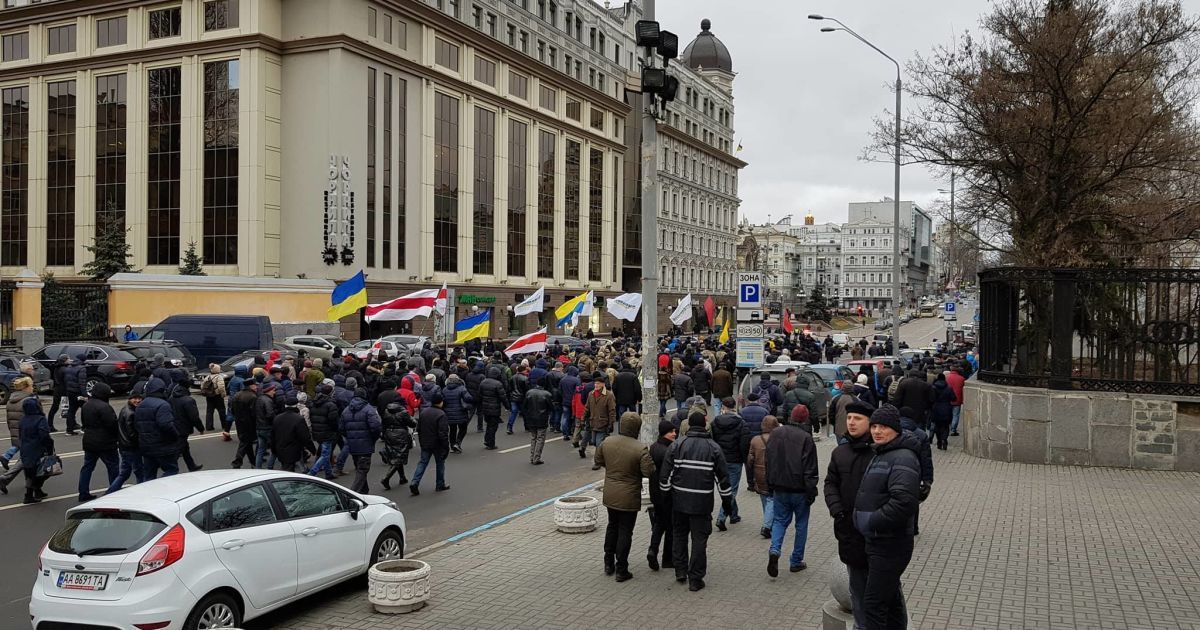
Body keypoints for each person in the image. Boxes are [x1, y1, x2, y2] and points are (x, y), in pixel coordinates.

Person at [854, 405, 922, 630]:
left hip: (890, 543)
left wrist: (871, 522)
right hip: (879, 541)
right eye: (874, 426)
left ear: (895, 429)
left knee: (873, 605)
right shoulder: (883, 452)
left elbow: (904, 502)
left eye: (883, 427)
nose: (877, 431)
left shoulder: (902, 457)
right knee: (890, 601)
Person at [658, 411, 734, 592]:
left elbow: (665, 476)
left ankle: (680, 571)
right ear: (705, 426)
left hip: (679, 501)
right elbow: (723, 478)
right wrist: (727, 502)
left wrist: (666, 497)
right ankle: (695, 578)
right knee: (699, 540)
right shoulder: (713, 448)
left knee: (679, 535)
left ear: (689, 426)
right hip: (702, 502)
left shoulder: (677, 445)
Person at [824, 400, 876, 630]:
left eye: (858, 419)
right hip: (848, 532)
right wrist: (837, 510)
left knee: (882, 591)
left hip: (876, 533)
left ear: (870, 423)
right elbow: (830, 484)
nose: (852, 422)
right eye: (849, 418)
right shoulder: (840, 452)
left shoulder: (880, 452)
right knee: (856, 587)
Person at [595, 412, 654, 582]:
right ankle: (622, 569)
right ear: (637, 427)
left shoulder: (607, 442)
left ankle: (608, 562)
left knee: (612, 526)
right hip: (629, 495)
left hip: (611, 492)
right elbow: (648, 471)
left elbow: (599, 461)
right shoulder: (640, 448)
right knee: (625, 531)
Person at [765, 405, 820, 577]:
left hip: (780, 487)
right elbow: (810, 469)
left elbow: (769, 460)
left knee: (779, 521)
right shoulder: (806, 438)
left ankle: (774, 550)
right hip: (800, 489)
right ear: (805, 419)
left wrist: (770, 484)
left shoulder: (775, 434)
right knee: (801, 525)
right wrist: (811, 491)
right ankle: (796, 561)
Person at [710, 397, 751, 531]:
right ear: (734, 406)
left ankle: (734, 514)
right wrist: (743, 458)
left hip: (719, 460)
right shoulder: (741, 423)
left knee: (725, 487)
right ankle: (721, 517)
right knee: (731, 489)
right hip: (735, 460)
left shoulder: (715, 422)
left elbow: (712, 440)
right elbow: (744, 444)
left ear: (723, 406)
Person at [78, 382, 119, 502]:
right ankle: (114, 491)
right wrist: (117, 438)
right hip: (106, 442)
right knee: (113, 467)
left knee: (87, 467)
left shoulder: (86, 405)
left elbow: (84, 423)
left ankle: (83, 492)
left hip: (89, 440)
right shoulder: (105, 407)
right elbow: (112, 424)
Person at [646, 420, 677, 572]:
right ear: (665, 433)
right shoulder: (668, 450)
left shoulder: (653, 447)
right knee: (670, 526)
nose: (674, 434)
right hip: (667, 493)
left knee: (659, 524)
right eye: (671, 432)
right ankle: (668, 559)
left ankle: (653, 550)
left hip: (655, 493)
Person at [134, 377, 180, 479]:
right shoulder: (163, 405)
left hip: (146, 446)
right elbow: (166, 425)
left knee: (149, 474)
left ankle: (150, 493)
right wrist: (175, 436)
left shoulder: (141, 405)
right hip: (162, 446)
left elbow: (137, 425)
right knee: (171, 470)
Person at [340, 388, 383, 494]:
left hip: (353, 445)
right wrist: (373, 439)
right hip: (366, 445)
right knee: (362, 470)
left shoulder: (346, 410)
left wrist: (350, 437)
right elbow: (376, 427)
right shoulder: (369, 410)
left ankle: (364, 491)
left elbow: (341, 428)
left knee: (360, 468)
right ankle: (353, 493)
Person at [746, 415, 780, 539]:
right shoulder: (778, 439)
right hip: (774, 474)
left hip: (759, 474)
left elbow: (750, 459)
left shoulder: (755, 439)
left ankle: (768, 521)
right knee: (771, 499)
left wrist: (751, 474)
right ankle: (767, 526)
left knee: (765, 499)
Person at [106, 383, 145, 495]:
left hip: (124, 446)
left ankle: (111, 492)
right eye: (135, 398)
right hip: (131, 447)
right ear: (130, 399)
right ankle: (142, 493)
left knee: (125, 472)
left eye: (139, 398)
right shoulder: (131, 413)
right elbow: (132, 433)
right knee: (139, 471)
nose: (137, 401)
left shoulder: (125, 409)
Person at [410, 392, 450, 495]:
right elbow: (443, 433)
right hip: (437, 444)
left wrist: (421, 441)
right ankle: (440, 484)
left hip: (426, 442)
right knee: (440, 463)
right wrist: (446, 447)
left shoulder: (424, 412)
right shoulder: (441, 414)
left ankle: (415, 481)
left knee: (422, 463)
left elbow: (419, 429)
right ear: (441, 402)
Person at [0, 376, 35, 492]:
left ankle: (32, 488)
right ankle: (6, 479)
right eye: (31, 385)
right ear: (25, 387)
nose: (32, 388)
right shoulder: (28, 401)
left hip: (17, 433)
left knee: (26, 460)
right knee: (27, 460)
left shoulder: (11, 400)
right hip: (29, 435)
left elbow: (9, 420)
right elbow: (33, 419)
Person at [17, 397, 53, 504]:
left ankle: (34, 492)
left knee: (29, 473)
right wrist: (49, 448)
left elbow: (20, 435)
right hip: (38, 450)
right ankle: (33, 491)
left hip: (25, 450)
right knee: (45, 471)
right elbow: (44, 436)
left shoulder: (22, 419)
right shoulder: (40, 419)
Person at [167, 370, 204, 472]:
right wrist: (201, 428)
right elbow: (194, 417)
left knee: (185, 448)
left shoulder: (171, 398)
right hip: (183, 428)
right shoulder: (188, 400)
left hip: (174, 426)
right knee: (179, 448)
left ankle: (191, 466)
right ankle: (170, 469)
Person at [272, 392, 316, 472]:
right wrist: (312, 449)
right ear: (296, 405)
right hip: (293, 450)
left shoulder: (277, 418)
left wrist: (273, 449)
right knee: (288, 471)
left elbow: (272, 436)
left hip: (280, 449)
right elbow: (305, 437)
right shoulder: (298, 419)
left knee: (286, 468)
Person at [581, 374, 616, 467]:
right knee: (594, 442)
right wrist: (583, 419)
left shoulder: (609, 395)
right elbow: (587, 408)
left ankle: (597, 462)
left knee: (598, 443)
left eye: (598, 383)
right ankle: (603, 457)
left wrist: (611, 424)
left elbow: (611, 410)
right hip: (593, 422)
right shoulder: (591, 394)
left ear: (603, 384)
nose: (596, 385)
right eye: (595, 383)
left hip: (603, 423)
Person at [307, 383, 341, 478]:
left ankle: (328, 473)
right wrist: (335, 430)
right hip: (327, 432)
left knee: (325, 452)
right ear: (331, 393)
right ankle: (312, 473)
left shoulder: (313, 403)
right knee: (325, 455)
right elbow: (333, 420)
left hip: (317, 431)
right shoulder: (331, 405)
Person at [379, 401, 416, 489]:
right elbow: (412, 423)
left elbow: (383, 424)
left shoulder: (386, 411)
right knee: (400, 457)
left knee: (396, 455)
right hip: (400, 435)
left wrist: (383, 434)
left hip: (389, 434)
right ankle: (386, 478)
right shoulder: (404, 413)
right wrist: (412, 419)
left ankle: (402, 477)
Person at [521, 375, 554, 465]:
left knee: (533, 437)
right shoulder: (547, 394)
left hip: (531, 418)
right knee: (540, 438)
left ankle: (532, 457)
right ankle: (536, 457)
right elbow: (551, 407)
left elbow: (524, 406)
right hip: (542, 419)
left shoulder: (529, 393)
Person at [229, 380, 259, 469]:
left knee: (247, 442)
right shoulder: (253, 396)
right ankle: (237, 462)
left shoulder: (237, 395)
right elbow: (254, 413)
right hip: (249, 423)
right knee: (245, 442)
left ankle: (253, 462)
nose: (256, 387)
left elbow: (232, 410)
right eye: (255, 385)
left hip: (239, 422)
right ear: (251, 386)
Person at [442, 373, 474, 453]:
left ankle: (452, 446)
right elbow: (468, 398)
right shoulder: (462, 388)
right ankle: (458, 443)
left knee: (452, 430)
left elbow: (443, 401)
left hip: (449, 413)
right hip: (461, 412)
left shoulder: (445, 389)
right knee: (463, 429)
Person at [255, 382, 279, 469]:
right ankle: (270, 467)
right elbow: (270, 415)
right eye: (273, 390)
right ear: (268, 391)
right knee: (275, 449)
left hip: (259, 427)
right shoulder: (268, 401)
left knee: (261, 450)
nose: (274, 392)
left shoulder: (259, 399)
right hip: (267, 428)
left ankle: (258, 468)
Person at [63, 353, 88, 435]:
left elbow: (66, 380)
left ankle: (69, 430)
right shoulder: (82, 369)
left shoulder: (69, 367)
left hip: (70, 391)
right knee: (84, 409)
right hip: (78, 393)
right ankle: (84, 428)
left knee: (71, 410)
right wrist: (85, 395)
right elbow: (82, 383)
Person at [200, 363, 228, 434]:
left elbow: (202, 386)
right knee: (222, 411)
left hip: (209, 397)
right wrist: (223, 394)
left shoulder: (207, 377)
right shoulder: (219, 377)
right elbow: (221, 387)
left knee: (209, 412)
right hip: (217, 396)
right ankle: (224, 425)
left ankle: (209, 426)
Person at [930, 373, 955, 450]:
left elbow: (931, 399)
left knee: (937, 426)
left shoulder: (933, 388)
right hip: (947, 408)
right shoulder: (949, 388)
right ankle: (944, 439)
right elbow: (954, 398)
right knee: (946, 426)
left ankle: (939, 441)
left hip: (936, 409)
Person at [46, 354, 69, 432]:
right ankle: (72, 423)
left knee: (55, 406)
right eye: (68, 359)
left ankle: (49, 424)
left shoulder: (56, 367)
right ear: (65, 360)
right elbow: (66, 380)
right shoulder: (65, 369)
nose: (70, 360)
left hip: (57, 389)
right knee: (69, 407)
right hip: (63, 390)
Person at [506, 364, 530, 435]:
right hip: (522, 398)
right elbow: (527, 389)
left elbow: (509, 388)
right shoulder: (525, 378)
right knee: (525, 413)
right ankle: (527, 427)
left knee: (513, 413)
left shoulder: (512, 378)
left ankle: (509, 427)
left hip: (513, 397)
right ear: (523, 370)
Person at [946, 366, 966, 436]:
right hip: (957, 399)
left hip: (947, 399)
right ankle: (953, 430)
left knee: (948, 414)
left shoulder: (946, 377)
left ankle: (948, 428)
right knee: (956, 415)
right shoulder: (962, 379)